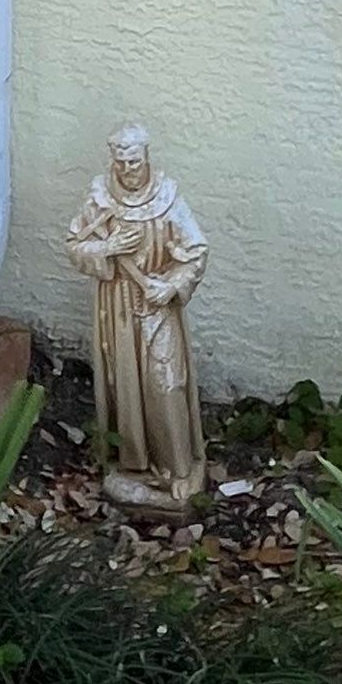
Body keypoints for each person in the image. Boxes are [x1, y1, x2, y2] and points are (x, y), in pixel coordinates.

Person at [66, 123, 208, 508]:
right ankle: (136, 466)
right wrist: (108, 247)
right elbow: (76, 245)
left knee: (166, 383)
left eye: (135, 161)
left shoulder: (168, 197)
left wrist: (172, 285)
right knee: (125, 385)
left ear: (147, 157)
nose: (128, 170)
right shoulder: (100, 197)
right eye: (121, 162)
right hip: (117, 307)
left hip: (157, 303)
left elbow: (195, 250)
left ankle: (179, 467)